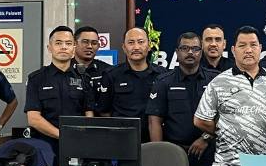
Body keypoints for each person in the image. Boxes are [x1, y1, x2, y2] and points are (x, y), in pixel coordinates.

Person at [194, 26, 266, 166]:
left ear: (260, 48)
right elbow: (200, 120)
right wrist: (225, 130)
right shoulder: (219, 82)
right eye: (242, 45)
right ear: (233, 50)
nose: (248, 50)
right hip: (229, 164)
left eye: (253, 45)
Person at [147, 31, 214, 166]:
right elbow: (154, 121)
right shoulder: (163, 81)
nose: (190, 52)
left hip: (208, 151)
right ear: (177, 52)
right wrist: (161, 153)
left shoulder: (214, 80)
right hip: (174, 153)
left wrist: (205, 138)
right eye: (185, 48)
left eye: (195, 49)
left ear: (201, 52)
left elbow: (223, 116)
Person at [24, 26, 95, 157]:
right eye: (58, 43)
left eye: (68, 43)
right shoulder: (36, 78)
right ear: (49, 48)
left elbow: (89, 114)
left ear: (74, 48)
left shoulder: (84, 78)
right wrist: (62, 135)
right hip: (44, 147)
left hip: (77, 144)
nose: (63, 47)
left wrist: (83, 136)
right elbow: (33, 118)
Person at [100, 27, 166, 141]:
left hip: (155, 139)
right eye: (131, 42)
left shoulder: (162, 75)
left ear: (149, 45)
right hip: (122, 140)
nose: (136, 47)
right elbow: (104, 112)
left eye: (141, 42)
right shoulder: (111, 75)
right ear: (124, 47)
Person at [73, 25, 113, 104]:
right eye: (85, 42)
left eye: (94, 43)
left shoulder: (108, 71)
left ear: (98, 46)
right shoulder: (66, 69)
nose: (89, 46)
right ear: (75, 43)